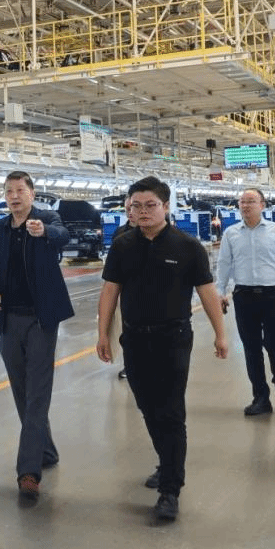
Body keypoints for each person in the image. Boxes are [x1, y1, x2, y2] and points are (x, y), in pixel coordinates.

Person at [96, 176, 228, 522]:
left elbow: (207, 292)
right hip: (135, 339)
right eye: (136, 206)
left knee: (170, 412)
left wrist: (221, 334)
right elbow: (110, 291)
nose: (143, 211)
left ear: (166, 207)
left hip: (173, 338)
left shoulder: (188, 247)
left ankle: (170, 489)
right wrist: (103, 334)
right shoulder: (122, 245)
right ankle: (167, 461)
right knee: (148, 407)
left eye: (150, 205)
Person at [0, 170, 74, 501]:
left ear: (32, 194)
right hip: (10, 320)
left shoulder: (46, 220)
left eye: (20, 190)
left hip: (40, 319)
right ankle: (45, 450)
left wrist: (44, 231)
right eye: (8, 191)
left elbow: (63, 236)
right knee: (22, 391)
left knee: (37, 392)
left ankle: (29, 472)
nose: (14, 196)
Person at [215, 188, 275, 416]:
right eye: (242, 202)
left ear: (262, 205)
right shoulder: (231, 233)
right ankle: (260, 397)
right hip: (244, 296)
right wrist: (220, 292)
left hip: (273, 295)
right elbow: (224, 263)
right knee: (251, 348)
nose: (245, 205)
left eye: (250, 201)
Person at [111, 197, 137, 380]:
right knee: (127, 332)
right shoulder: (120, 233)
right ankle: (129, 366)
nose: (130, 212)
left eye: (133, 207)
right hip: (126, 291)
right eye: (127, 208)